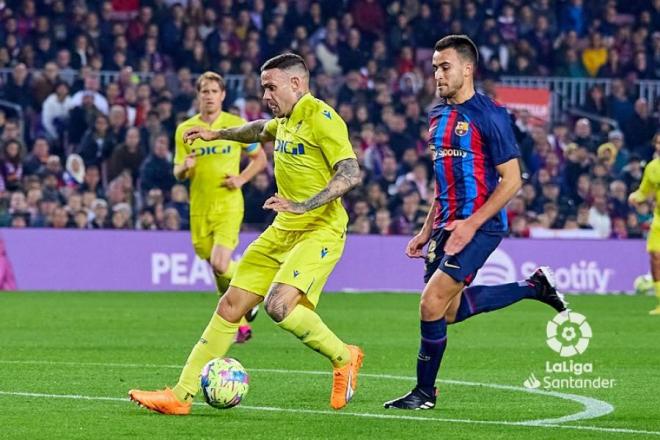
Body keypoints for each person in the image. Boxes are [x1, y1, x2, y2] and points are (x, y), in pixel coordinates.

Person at [129, 54, 364, 414]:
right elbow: (256, 129)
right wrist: (217, 133)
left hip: (320, 229)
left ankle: (343, 356)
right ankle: (180, 395)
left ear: (296, 84)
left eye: (271, 87)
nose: (266, 95)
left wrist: (304, 205)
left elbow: (350, 173)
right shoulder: (283, 121)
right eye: (263, 87)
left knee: (278, 306)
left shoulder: (323, 119)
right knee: (230, 305)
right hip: (283, 228)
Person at [382, 35, 567, 411]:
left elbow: (512, 180)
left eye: (444, 66)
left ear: (468, 68)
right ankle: (534, 287)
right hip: (445, 226)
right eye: (434, 67)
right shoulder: (437, 116)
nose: (437, 74)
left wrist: (470, 224)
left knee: (430, 303)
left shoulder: (491, 115)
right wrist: (425, 228)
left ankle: (424, 393)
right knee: (447, 312)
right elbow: (443, 179)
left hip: (480, 227)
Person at [175, 71, 267, 341]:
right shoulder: (185, 129)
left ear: (223, 95)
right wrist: (185, 168)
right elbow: (177, 171)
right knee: (216, 267)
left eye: (214, 92)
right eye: (205, 91)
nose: (210, 96)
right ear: (198, 95)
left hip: (227, 204)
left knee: (219, 262)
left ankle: (255, 291)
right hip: (199, 208)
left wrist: (240, 179)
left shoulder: (234, 125)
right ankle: (239, 322)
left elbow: (260, 159)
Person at [629, 132, 660, 315]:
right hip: (659, 218)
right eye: (658, 142)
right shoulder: (652, 168)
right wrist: (636, 197)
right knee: (655, 257)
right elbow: (644, 191)